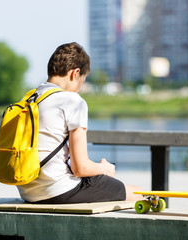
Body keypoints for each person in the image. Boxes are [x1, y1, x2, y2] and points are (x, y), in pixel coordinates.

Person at [17, 42, 143, 203]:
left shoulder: (29, 99)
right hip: (58, 190)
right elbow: (80, 168)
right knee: (141, 194)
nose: (79, 88)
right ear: (75, 73)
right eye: (82, 82)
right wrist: (105, 169)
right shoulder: (72, 101)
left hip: (29, 193)